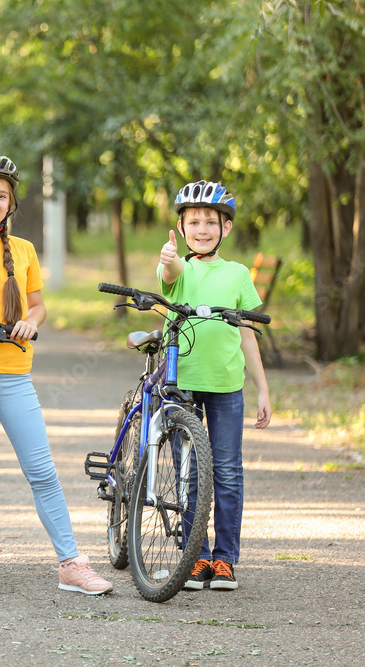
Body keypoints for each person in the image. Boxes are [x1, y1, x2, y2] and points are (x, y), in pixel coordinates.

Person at [0, 153, 113, 595]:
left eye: (1, 195)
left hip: (14, 372)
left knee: (40, 469)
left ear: (12, 202)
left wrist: (33, 320)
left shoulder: (25, 251)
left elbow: (36, 303)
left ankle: (71, 563)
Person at [158, 180, 272, 591]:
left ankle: (225, 559)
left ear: (226, 227)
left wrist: (262, 388)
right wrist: (169, 258)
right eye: (194, 222)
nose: (202, 229)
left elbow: (247, 335)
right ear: (182, 227)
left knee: (227, 472)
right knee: (189, 474)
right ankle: (196, 555)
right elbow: (169, 275)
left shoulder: (239, 274)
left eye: (211, 222)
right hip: (181, 386)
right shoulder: (179, 267)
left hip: (226, 387)